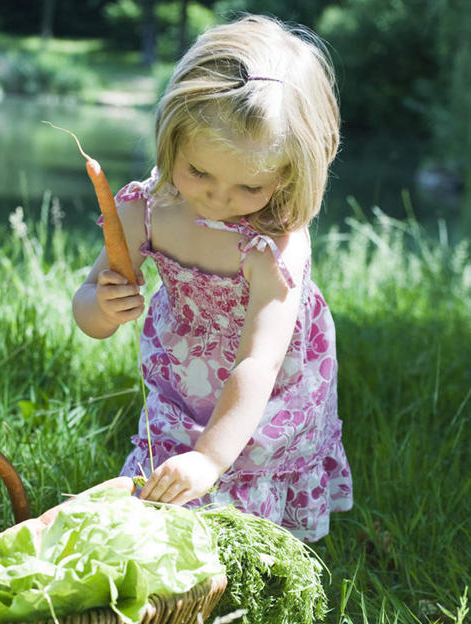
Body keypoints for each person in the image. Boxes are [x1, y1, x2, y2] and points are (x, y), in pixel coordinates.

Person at [72, 14, 353, 542]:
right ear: (173, 139)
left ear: (289, 174)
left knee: (241, 488)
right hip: (183, 374)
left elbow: (259, 361)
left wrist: (208, 458)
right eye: (199, 172)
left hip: (268, 383)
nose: (218, 198)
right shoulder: (146, 209)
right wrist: (100, 305)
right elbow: (89, 307)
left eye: (248, 186)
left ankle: (252, 561)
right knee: (161, 497)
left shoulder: (275, 246)